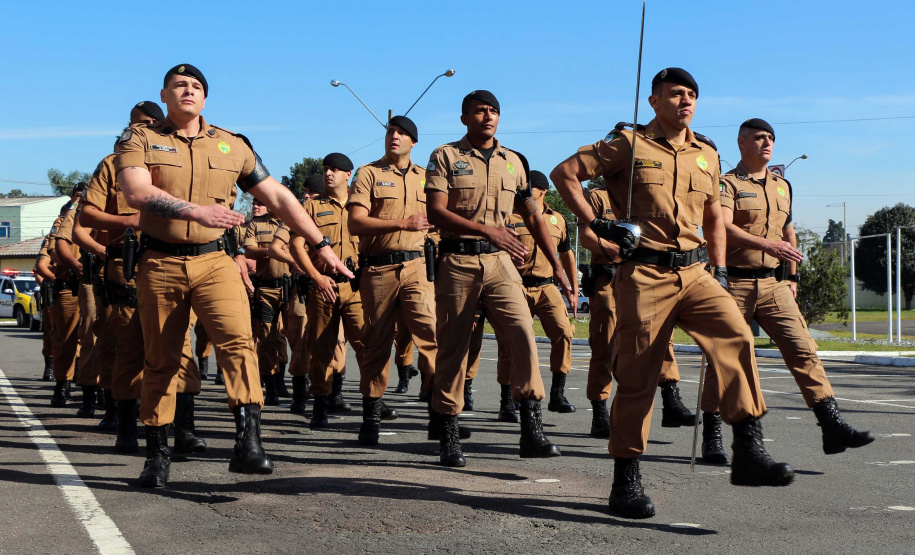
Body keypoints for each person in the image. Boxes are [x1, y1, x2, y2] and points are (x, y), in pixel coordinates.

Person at [551, 68, 793, 519]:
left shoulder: (706, 154)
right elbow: (564, 173)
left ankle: (747, 451)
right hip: (644, 274)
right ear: (654, 101)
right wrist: (595, 222)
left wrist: (719, 269)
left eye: (692, 95)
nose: (686, 101)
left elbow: (714, 217)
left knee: (736, 338)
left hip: (697, 270)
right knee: (639, 375)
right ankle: (625, 479)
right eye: (676, 94)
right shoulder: (629, 144)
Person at [115, 63, 350, 488]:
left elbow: (278, 195)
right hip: (161, 264)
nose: (188, 91)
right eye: (179, 85)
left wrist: (321, 245)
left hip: (215, 262)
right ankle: (156, 454)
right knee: (162, 359)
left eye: (196, 86)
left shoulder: (231, 145)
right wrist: (196, 211)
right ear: (164, 95)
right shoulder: (140, 138)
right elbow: (136, 192)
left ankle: (249, 441)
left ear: (205, 98)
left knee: (238, 342)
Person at [701, 117, 874, 461]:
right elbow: (721, 226)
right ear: (742, 142)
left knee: (803, 348)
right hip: (732, 282)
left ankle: (831, 425)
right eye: (759, 138)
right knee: (728, 360)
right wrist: (768, 245)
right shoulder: (727, 184)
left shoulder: (783, 186)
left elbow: (789, 233)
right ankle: (712, 432)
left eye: (771, 138)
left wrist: (792, 276)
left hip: (773, 283)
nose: (767, 143)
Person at [425, 90, 572, 467]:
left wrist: (556, 264)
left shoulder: (513, 162)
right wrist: (487, 231)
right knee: (455, 349)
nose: (487, 116)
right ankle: (449, 434)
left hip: (501, 264)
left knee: (523, 333)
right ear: (465, 118)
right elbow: (437, 213)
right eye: (479, 111)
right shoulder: (445, 156)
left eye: (493, 111)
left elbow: (535, 215)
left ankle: (531, 430)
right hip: (458, 261)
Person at [81, 100, 206, 453]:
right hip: (128, 269)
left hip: (172, 263)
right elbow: (87, 217)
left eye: (153, 121)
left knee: (180, 348)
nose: (146, 127)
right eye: (140, 123)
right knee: (130, 351)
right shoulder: (111, 165)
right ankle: (125, 427)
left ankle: (185, 429)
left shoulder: (185, 157)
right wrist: (127, 222)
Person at [348, 115, 438, 444]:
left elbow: (439, 223)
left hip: (417, 266)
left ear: (414, 142)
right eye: (390, 132)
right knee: (376, 344)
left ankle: (439, 411)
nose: (394, 137)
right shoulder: (368, 173)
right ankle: (371, 416)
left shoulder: (428, 178)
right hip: (378, 268)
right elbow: (356, 223)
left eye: (402, 133)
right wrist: (403, 223)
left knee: (430, 334)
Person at [580, 190, 695, 438]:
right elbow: (587, 237)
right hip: (608, 277)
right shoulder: (598, 197)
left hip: (646, 277)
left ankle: (671, 398)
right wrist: (621, 252)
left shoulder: (648, 195)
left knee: (663, 336)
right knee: (605, 344)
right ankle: (600, 412)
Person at [281, 153, 369, 428]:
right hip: (324, 287)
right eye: (326, 169)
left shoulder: (363, 204)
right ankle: (319, 404)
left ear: (348, 174)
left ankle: (372, 403)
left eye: (335, 170)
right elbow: (296, 245)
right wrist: (316, 276)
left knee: (367, 346)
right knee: (320, 349)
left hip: (356, 288)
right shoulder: (311, 207)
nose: (328, 174)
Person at [495, 170, 578, 415]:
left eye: (529, 188)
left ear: (542, 191)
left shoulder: (558, 220)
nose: (524, 192)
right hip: (515, 285)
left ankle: (557, 394)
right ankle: (506, 401)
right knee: (512, 341)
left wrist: (573, 289)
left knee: (564, 332)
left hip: (546, 285)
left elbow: (567, 254)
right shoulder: (508, 216)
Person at [243, 197, 291, 405]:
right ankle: (271, 388)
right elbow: (249, 249)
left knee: (296, 337)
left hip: (292, 289)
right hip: (266, 290)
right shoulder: (256, 223)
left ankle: (292, 384)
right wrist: (271, 251)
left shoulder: (294, 221)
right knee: (266, 339)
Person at [48, 186, 85, 407]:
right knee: (66, 339)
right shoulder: (66, 217)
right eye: (79, 196)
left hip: (96, 282)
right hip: (70, 282)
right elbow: (53, 251)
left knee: (96, 338)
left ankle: (98, 389)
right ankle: (62, 384)